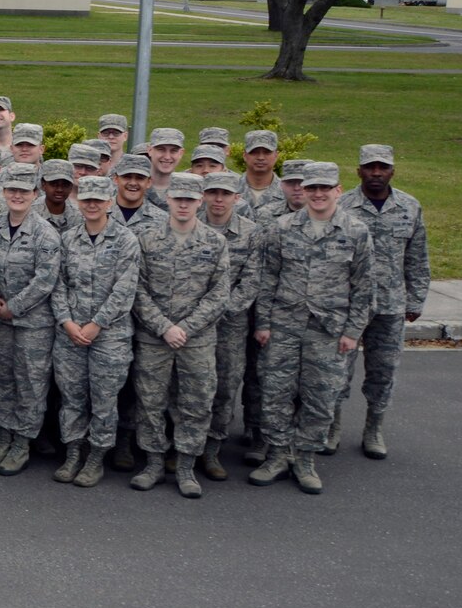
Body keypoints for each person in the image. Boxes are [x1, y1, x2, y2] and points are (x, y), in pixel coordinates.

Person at [252, 161, 374, 494]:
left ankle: (305, 458)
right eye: (311, 188)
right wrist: (263, 322)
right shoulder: (282, 227)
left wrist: (352, 331)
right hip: (284, 325)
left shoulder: (356, 231)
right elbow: (267, 278)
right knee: (275, 393)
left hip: (329, 329)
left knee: (320, 396)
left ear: (338, 190)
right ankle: (277, 455)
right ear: (302, 191)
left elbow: (364, 287)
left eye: (325, 188)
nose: (318, 194)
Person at [128, 173, 232, 498]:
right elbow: (137, 289)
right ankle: (154, 463)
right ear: (168, 200)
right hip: (154, 337)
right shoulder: (147, 239)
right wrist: (164, 327)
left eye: (190, 199)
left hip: (196, 340)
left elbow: (219, 294)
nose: (184, 204)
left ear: (200, 201)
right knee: (149, 402)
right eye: (178, 198)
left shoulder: (215, 242)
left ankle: (186, 467)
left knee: (197, 402)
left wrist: (184, 328)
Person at [336, 144, 430, 460]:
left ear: (392, 170)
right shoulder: (343, 205)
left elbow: (417, 257)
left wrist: (416, 299)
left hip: (390, 305)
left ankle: (373, 428)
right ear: (358, 170)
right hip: (348, 304)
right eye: (370, 167)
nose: (376, 173)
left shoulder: (409, 206)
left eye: (382, 167)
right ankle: (331, 425)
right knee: (338, 369)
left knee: (383, 370)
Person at [50, 175, 140, 490]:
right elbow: (57, 284)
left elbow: (124, 289)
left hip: (109, 335)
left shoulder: (126, 240)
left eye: (98, 200)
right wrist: (67, 322)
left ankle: (95, 458)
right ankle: (74, 452)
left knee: (103, 400)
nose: (91, 205)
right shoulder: (67, 239)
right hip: (70, 334)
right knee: (72, 398)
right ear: (78, 201)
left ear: (110, 202)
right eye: (86, 199)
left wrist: (96, 323)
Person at [0, 164, 62, 477]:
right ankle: (2, 438)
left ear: (35, 194)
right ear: (4, 193)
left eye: (23, 191)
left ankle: (21, 443)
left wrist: (14, 306)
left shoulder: (45, 234)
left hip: (33, 324)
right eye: (12, 190)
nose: (17, 195)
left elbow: (45, 280)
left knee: (29, 383)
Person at [200, 171, 263, 478]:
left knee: (224, 387)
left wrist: (219, 310)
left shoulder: (250, 233)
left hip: (229, 325)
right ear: (204, 195)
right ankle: (184, 445)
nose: (219, 199)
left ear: (237, 198)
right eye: (213, 193)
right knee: (189, 386)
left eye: (226, 194)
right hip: (193, 324)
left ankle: (212, 449)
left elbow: (250, 282)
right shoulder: (190, 225)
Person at [145, 127, 185, 208]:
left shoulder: (187, 188)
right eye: (161, 150)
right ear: (150, 150)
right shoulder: (135, 186)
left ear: (181, 153)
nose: (167, 157)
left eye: (173, 151)